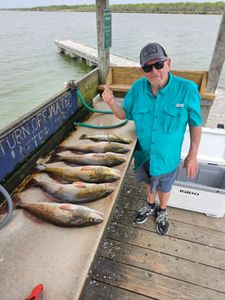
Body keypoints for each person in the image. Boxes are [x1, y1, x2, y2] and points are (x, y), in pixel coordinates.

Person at [102, 42, 202, 235]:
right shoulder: (138, 88)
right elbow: (124, 114)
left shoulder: (187, 89)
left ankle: (162, 210)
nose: (154, 71)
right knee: (149, 183)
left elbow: (195, 125)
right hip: (145, 155)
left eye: (159, 64)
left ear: (168, 63)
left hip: (168, 157)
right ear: (143, 70)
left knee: (165, 186)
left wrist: (192, 155)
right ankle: (150, 205)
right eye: (148, 67)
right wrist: (111, 102)